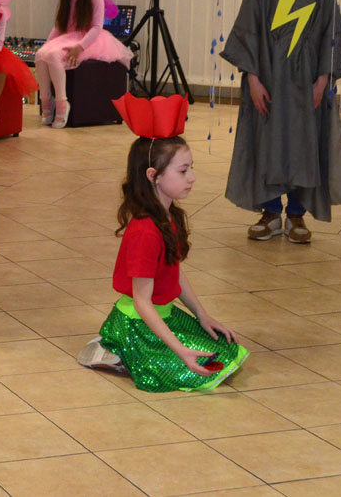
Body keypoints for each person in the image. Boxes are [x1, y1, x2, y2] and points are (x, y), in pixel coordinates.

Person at [78, 94, 247, 392]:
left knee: (227, 353)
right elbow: (142, 302)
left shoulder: (169, 217)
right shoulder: (145, 231)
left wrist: (202, 315)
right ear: (153, 175)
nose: (192, 178)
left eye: (191, 168)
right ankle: (115, 348)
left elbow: (174, 273)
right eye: (183, 171)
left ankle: (123, 351)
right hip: (137, 325)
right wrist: (179, 350)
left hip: (163, 314)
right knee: (197, 371)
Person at [222, 0, 341, 244]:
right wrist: (252, 77)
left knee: (304, 139)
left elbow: (330, 29)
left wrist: (323, 78)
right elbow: (249, 28)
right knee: (267, 137)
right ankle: (270, 212)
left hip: (308, 78)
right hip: (267, 76)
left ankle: (297, 213)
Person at [34, 0, 132, 128]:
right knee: (41, 55)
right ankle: (46, 102)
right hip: (68, 37)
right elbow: (59, 26)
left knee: (53, 55)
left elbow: (96, 27)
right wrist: (46, 45)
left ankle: (62, 103)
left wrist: (80, 47)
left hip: (88, 40)